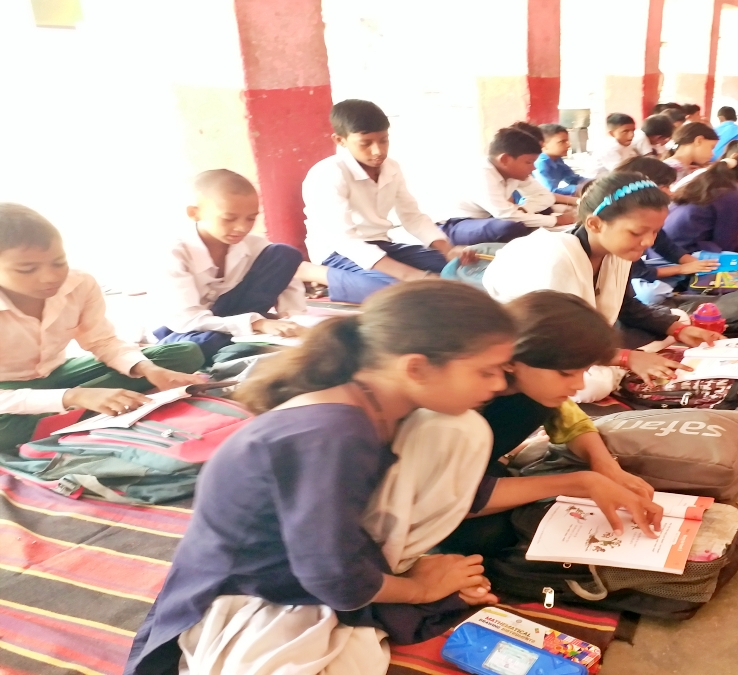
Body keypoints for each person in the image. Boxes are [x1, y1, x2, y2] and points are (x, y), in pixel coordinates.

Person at [125, 280, 518, 675]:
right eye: (486, 371)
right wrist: (420, 590)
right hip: (248, 587)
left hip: (314, 561)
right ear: (415, 367)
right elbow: (332, 575)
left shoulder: (378, 406)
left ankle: (391, 578)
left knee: (459, 431)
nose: (500, 384)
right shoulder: (334, 435)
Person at [437, 291, 664, 557]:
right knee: (486, 537)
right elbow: (447, 498)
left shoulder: (531, 387)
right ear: (511, 359)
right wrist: (581, 482)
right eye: (567, 373)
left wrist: (604, 465)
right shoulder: (455, 406)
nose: (579, 384)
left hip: (472, 473)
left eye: (584, 371)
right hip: (433, 491)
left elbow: (571, 419)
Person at [482, 172, 724, 398]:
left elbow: (626, 307)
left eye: (655, 232)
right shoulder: (555, 258)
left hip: (584, 334)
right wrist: (627, 358)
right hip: (533, 344)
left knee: (679, 319)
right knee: (592, 386)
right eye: (637, 232)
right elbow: (557, 339)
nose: (648, 242)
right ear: (595, 224)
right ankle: (625, 362)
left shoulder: (617, 251)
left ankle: (627, 358)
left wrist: (678, 331)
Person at [0, 205, 206, 454]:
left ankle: (66, 415)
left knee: (183, 354)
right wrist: (75, 397)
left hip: (57, 374)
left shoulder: (80, 284)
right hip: (6, 390)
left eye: (58, 262)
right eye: (27, 269)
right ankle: (87, 406)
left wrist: (149, 370)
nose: (50, 277)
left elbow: (102, 341)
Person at [295, 99, 459, 305]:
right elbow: (344, 240)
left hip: (380, 246)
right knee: (404, 294)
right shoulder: (328, 174)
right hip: (338, 252)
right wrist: (410, 275)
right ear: (340, 140)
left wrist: (448, 250)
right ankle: (313, 273)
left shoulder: (391, 167)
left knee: (461, 269)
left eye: (384, 140)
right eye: (366, 143)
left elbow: (413, 217)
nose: (378, 151)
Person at [153, 170, 306, 365]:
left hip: (232, 318)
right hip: (182, 330)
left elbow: (289, 293)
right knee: (197, 346)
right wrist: (257, 323)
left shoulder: (254, 246)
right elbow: (186, 320)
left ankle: (237, 346)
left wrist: (294, 324)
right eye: (229, 218)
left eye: (250, 218)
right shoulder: (173, 253)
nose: (242, 228)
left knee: (284, 254)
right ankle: (234, 346)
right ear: (194, 213)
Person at [440, 127, 576, 246]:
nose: (533, 168)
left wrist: (524, 209)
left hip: (491, 219)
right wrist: (556, 220)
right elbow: (506, 216)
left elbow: (545, 196)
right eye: (529, 162)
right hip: (457, 225)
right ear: (505, 159)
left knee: (543, 211)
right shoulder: (481, 175)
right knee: (509, 227)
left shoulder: (512, 173)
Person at [615, 157, 719, 304]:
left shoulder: (648, 215)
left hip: (643, 268)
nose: (670, 193)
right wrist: (682, 269)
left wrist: (694, 263)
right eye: (666, 186)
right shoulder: (621, 221)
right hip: (630, 275)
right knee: (649, 295)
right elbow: (637, 271)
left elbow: (665, 245)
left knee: (708, 260)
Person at [662, 154, 738, 255]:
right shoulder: (732, 197)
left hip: (664, 250)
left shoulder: (709, 184)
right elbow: (726, 247)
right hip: (682, 255)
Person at [535, 123, 585, 196]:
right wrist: (579, 188)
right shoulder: (540, 163)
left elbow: (574, 179)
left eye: (567, 141)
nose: (568, 145)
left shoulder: (557, 160)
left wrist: (595, 182)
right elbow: (550, 192)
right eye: (562, 142)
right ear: (543, 145)